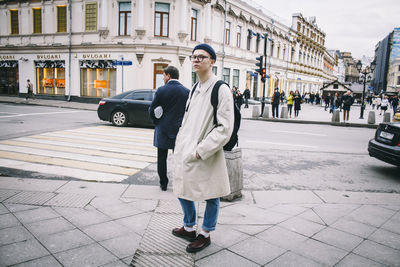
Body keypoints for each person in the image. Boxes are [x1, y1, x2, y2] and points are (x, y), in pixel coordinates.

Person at [171, 43, 234, 253]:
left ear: (212, 61)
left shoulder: (220, 88)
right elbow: (188, 119)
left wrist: (201, 150)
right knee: (182, 187)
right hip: (186, 147)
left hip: (206, 150)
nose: (196, 60)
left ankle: (205, 233)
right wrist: (181, 144)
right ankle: (189, 226)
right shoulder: (195, 87)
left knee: (211, 193)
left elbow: (225, 128)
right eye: (194, 56)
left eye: (202, 57)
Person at [149, 66, 189, 191]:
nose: (163, 78)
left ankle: (163, 183)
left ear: (168, 76)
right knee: (179, 158)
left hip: (163, 129)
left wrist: (156, 122)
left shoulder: (161, 90)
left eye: (164, 75)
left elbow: (152, 109)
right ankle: (179, 183)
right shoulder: (186, 91)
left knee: (162, 158)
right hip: (180, 130)